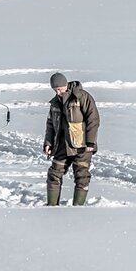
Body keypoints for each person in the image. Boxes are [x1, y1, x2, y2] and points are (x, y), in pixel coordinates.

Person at [43, 72, 100, 206]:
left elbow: (93, 119)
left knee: (82, 176)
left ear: (65, 85)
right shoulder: (55, 104)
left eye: (59, 89)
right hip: (62, 145)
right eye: (55, 90)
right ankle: (51, 207)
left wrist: (90, 141)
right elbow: (50, 125)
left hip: (82, 145)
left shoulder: (82, 97)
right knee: (54, 174)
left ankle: (77, 208)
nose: (57, 92)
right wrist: (48, 143)